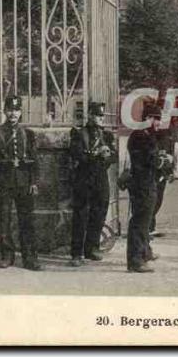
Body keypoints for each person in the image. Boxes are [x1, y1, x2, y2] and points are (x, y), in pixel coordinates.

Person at [0, 94, 42, 271]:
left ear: (21, 112)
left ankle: (29, 257)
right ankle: (7, 255)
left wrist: (34, 181)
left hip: (24, 183)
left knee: (27, 220)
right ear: (4, 111)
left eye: (16, 110)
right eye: (10, 110)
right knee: (5, 220)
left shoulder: (28, 134)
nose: (13, 114)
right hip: (4, 183)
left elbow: (34, 159)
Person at [68, 101, 117, 267]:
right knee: (80, 215)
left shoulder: (107, 135)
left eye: (102, 115)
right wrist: (96, 154)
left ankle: (92, 248)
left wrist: (106, 157)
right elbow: (77, 155)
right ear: (89, 115)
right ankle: (76, 253)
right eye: (97, 115)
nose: (100, 118)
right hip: (83, 178)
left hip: (100, 178)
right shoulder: (78, 133)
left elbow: (114, 156)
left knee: (99, 212)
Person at [125, 101, 164, 273]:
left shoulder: (143, 135)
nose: (159, 123)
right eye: (157, 119)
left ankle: (144, 253)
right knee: (140, 223)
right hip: (142, 185)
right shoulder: (141, 137)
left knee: (144, 221)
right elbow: (151, 160)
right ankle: (136, 261)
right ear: (148, 118)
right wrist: (163, 160)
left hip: (145, 183)